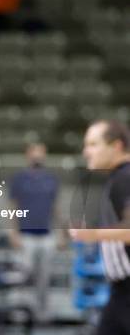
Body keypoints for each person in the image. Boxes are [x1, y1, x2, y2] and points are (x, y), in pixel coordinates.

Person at [71, 120, 130, 335]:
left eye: (94, 144)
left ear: (116, 146)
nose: (86, 152)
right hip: (120, 293)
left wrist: (93, 234)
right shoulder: (118, 178)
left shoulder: (125, 178)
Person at [8, 143, 59, 321]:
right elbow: (13, 207)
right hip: (26, 235)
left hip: (46, 236)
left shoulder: (51, 179)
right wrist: (13, 233)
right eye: (34, 153)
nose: (37, 157)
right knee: (23, 276)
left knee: (44, 279)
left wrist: (60, 233)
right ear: (28, 155)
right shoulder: (19, 178)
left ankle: (41, 315)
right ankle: (20, 313)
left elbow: (55, 207)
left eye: (40, 153)